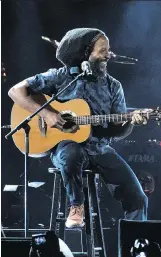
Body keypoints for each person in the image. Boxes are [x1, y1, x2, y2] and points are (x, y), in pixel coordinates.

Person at [8, 28, 149, 228]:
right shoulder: (61, 77)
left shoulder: (113, 86)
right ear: (85, 54)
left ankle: (135, 246)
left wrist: (130, 122)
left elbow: (117, 130)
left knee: (138, 198)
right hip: (66, 147)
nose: (108, 55)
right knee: (72, 152)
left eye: (108, 50)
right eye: (102, 51)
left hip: (100, 148)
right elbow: (15, 91)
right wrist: (47, 114)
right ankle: (76, 205)